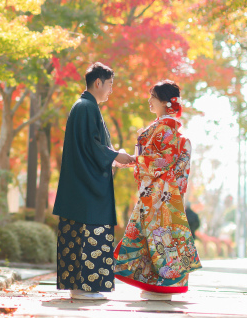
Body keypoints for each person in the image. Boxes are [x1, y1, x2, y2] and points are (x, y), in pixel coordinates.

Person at [53, 62, 135, 300]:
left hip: (80, 184)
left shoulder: (83, 106)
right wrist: (114, 155)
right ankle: (85, 288)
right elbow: (92, 146)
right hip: (86, 188)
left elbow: (92, 146)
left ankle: (78, 287)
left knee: (77, 235)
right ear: (98, 82)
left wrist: (112, 157)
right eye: (109, 85)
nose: (110, 90)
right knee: (90, 234)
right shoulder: (87, 107)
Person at [114, 79, 202, 300]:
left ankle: (163, 286)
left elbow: (164, 159)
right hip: (163, 192)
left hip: (159, 193)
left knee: (158, 238)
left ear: (164, 102)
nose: (149, 101)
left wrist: (134, 160)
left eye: (152, 97)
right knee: (159, 238)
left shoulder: (165, 129)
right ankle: (157, 285)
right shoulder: (166, 128)